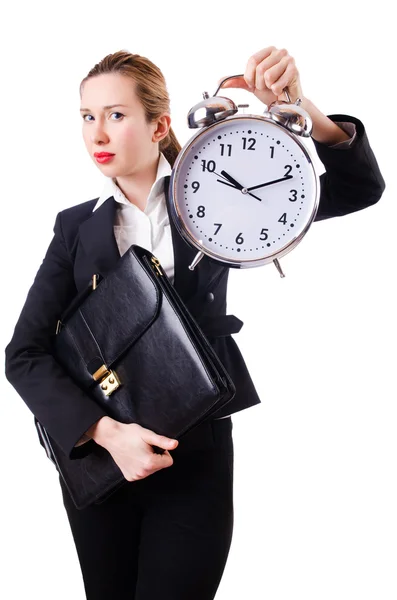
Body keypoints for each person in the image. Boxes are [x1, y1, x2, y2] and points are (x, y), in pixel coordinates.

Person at [5, 46, 385, 600]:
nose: (98, 134)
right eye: (87, 117)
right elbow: (24, 354)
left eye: (116, 114)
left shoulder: (212, 193)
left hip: (195, 453)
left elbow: (358, 189)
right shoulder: (74, 229)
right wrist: (107, 435)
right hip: (103, 460)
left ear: (159, 125)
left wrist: (298, 105)